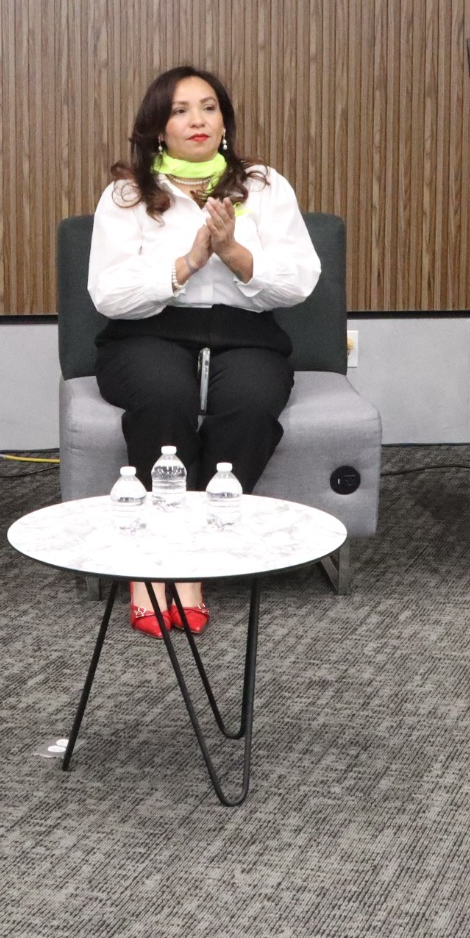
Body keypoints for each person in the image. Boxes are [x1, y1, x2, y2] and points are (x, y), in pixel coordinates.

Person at [88, 67, 321, 637]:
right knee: (164, 395)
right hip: (148, 331)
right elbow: (108, 294)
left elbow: (300, 280)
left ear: (224, 122)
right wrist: (188, 263)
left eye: (209, 107)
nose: (197, 119)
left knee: (252, 401)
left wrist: (235, 254)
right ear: (158, 128)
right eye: (180, 110)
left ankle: (193, 557)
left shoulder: (263, 186)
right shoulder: (128, 195)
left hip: (246, 330)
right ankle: (154, 562)